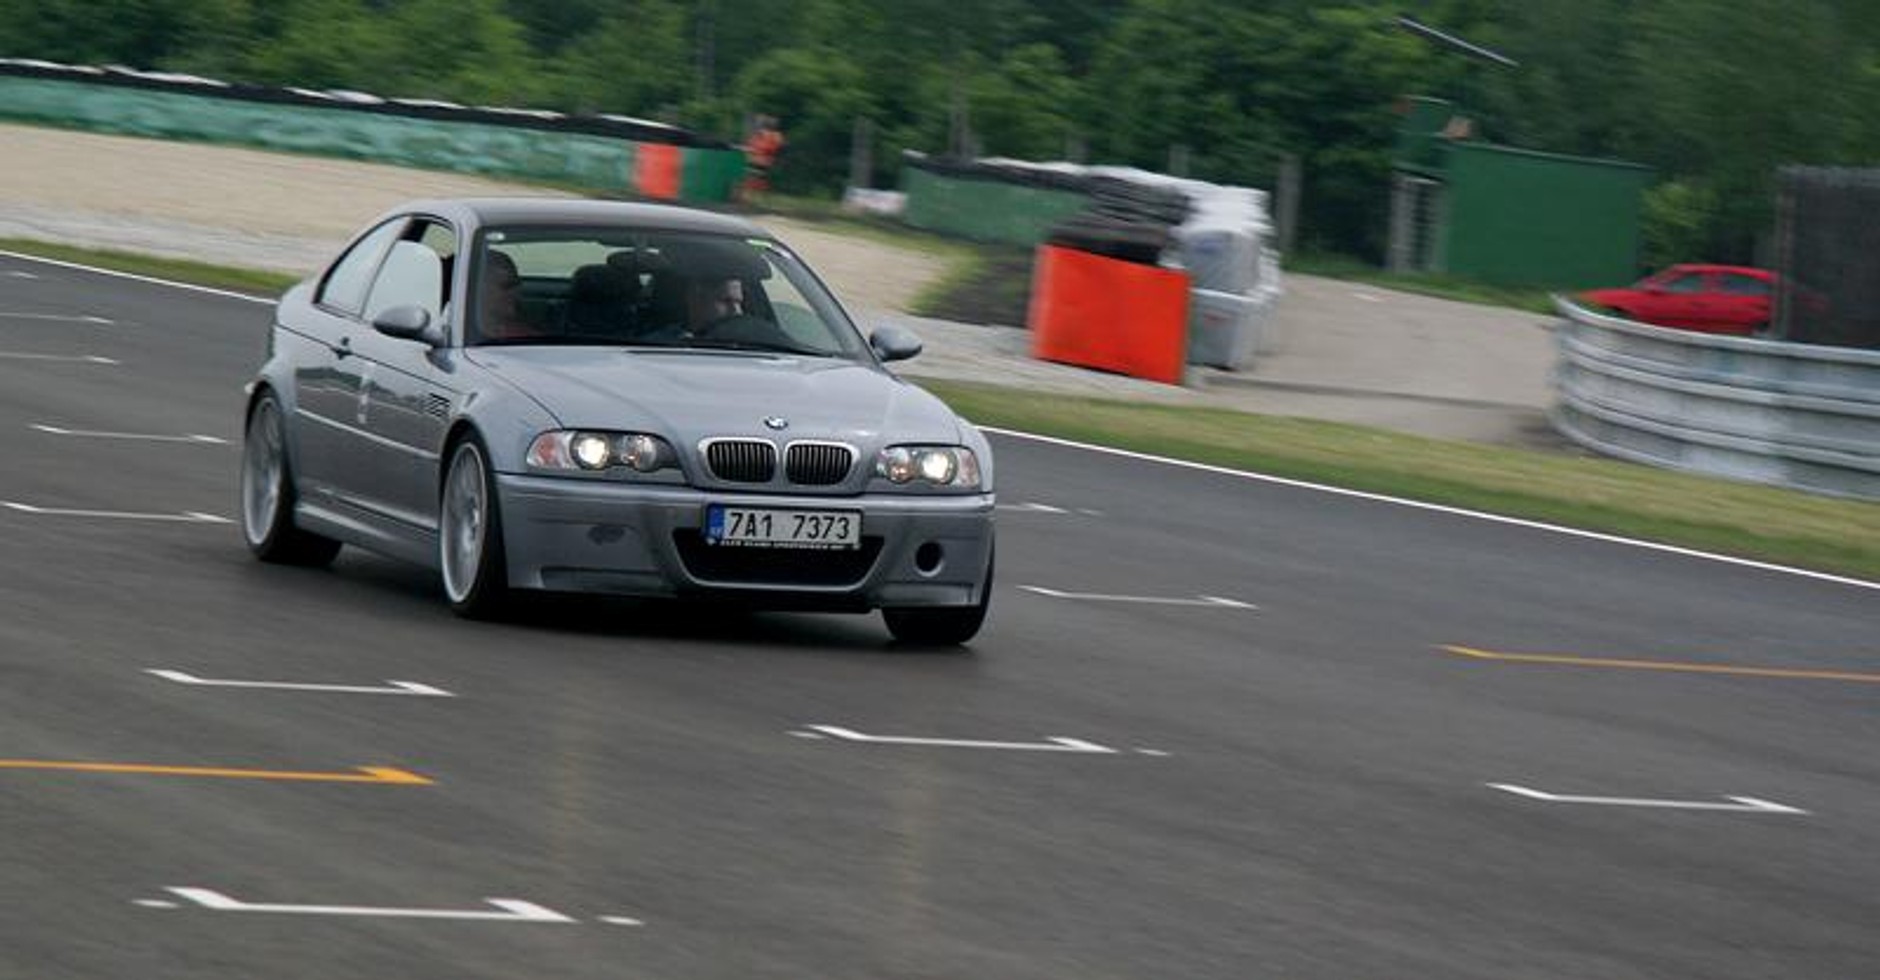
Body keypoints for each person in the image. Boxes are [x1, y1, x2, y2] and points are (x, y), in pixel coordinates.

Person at [477, 249, 541, 341]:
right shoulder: (455, 337)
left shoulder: (527, 337)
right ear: (479, 289)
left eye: (517, 284)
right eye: (507, 285)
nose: (515, 291)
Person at [741, 115, 785, 201]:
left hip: (763, 160)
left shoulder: (775, 136)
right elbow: (752, 145)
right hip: (758, 160)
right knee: (754, 176)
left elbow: (775, 148)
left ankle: (755, 195)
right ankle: (751, 195)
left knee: (756, 177)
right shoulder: (762, 135)